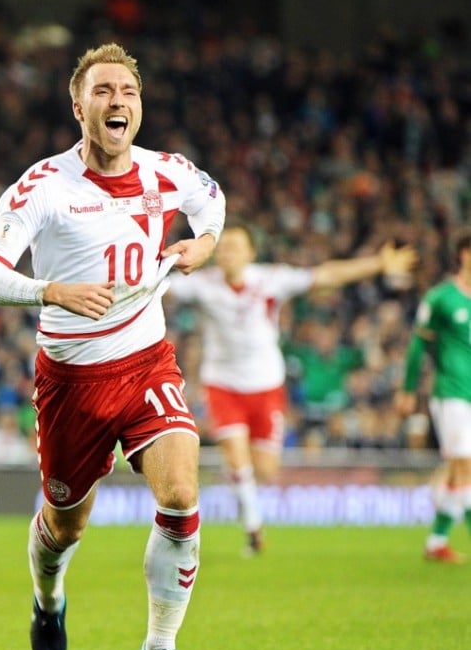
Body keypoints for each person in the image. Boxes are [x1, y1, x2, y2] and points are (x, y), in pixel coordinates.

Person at [0, 42, 226, 650]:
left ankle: (159, 646)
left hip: (146, 363)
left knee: (181, 496)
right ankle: (48, 600)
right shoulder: (43, 186)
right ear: (78, 104)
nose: (118, 101)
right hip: (71, 381)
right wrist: (49, 288)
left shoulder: (167, 170)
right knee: (63, 526)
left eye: (128, 92)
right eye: (103, 91)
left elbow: (211, 201)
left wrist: (206, 243)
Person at [165, 223, 416, 555]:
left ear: (251, 253)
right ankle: (253, 526)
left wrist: (378, 264)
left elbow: (326, 275)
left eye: (235, 247)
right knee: (236, 454)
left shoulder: (271, 280)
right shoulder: (203, 285)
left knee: (266, 470)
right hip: (222, 383)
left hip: (266, 384)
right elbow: (158, 284)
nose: (228, 253)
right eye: (223, 247)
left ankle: (243, 486)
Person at [395, 230, 471, 564]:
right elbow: (417, 345)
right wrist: (408, 388)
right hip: (451, 392)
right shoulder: (441, 298)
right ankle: (439, 540)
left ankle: (436, 542)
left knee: (460, 470)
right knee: (463, 464)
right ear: (464, 254)